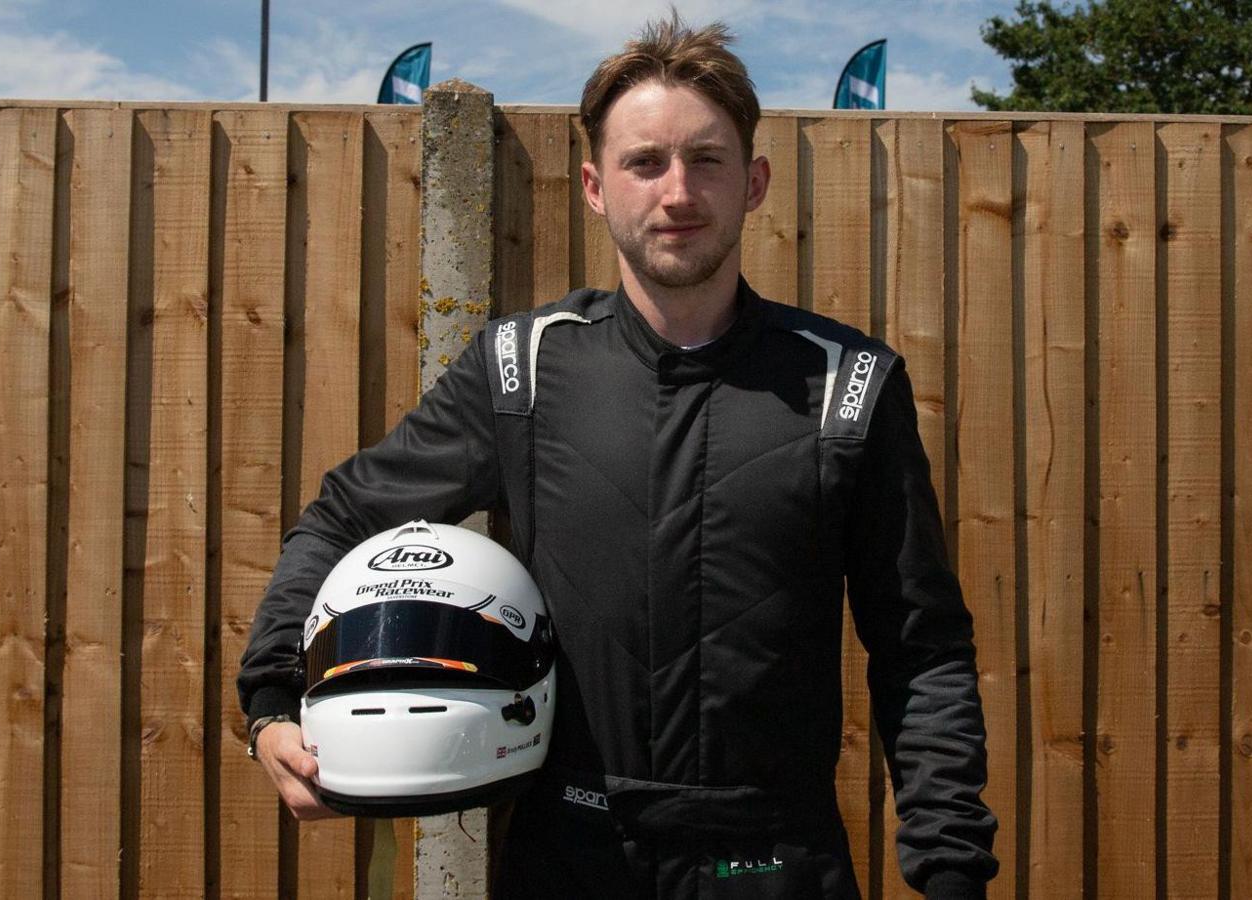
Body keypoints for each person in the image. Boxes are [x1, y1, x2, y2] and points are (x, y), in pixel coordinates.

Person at [239, 14, 997, 899]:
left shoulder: (848, 385)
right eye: (647, 162)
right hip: (569, 861)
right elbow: (345, 515)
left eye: (706, 160)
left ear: (753, 182)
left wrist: (950, 871)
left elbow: (921, 648)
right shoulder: (522, 368)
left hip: (776, 865)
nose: (678, 192)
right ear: (597, 188)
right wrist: (269, 703)